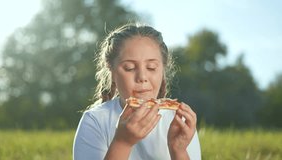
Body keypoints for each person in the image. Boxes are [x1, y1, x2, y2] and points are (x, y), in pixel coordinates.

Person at [73, 23, 201, 160]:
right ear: (113, 72)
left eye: (151, 67)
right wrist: (123, 142)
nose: (142, 77)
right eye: (129, 68)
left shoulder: (178, 121)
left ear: (162, 71)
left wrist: (179, 150)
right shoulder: (95, 121)